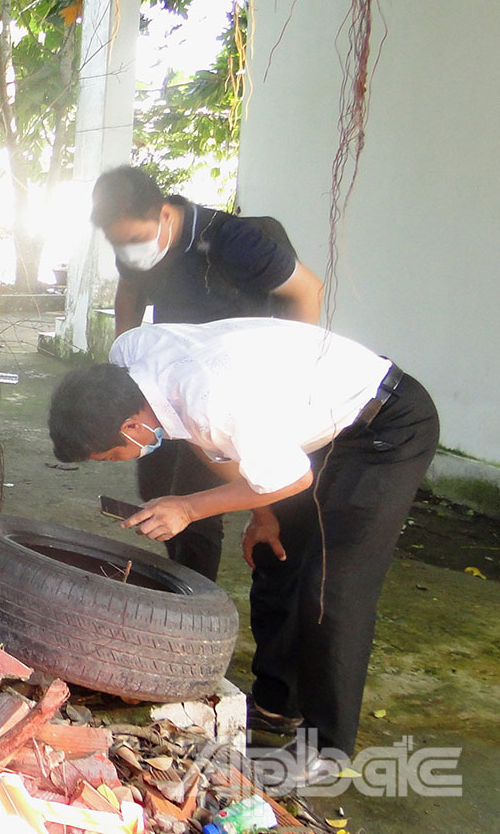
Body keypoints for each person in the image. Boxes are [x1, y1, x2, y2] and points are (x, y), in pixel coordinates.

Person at [47, 318, 438, 786]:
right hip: (309, 427)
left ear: (132, 426)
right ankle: (278, 705)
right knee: (276, 554)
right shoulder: (130, 354)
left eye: (112, 456)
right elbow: (198, 434)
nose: (117, 464)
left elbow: (291, 477)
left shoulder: (216, 400)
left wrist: (190, 507)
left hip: (385, 424)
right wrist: (263, 513)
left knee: (331, 585)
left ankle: (327, 747)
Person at [89, 165, 325, 582]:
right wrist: (124, 361)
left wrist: (291, 378)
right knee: (156, 486)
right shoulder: (138, 243)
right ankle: (181, 573)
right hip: (166, 381)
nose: (128, 252)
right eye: (118, 243)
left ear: (164, 214)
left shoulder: (236, 242)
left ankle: (190, 609)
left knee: (193, 502)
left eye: (133, 240)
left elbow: (308, 290)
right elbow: (130, 289)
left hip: (227, 390)